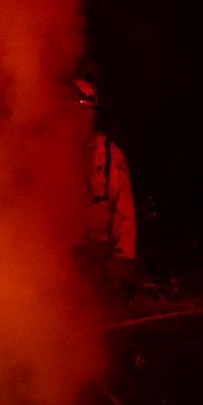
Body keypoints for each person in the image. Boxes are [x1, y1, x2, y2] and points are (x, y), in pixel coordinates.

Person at [71, 76, 137, 303]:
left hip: (97, 254)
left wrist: (124, 260)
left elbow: (125, 214)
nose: (80, 122)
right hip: (59, 253)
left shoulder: (110, 156)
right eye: (75, 114)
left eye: (87, 114)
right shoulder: (48, 153)